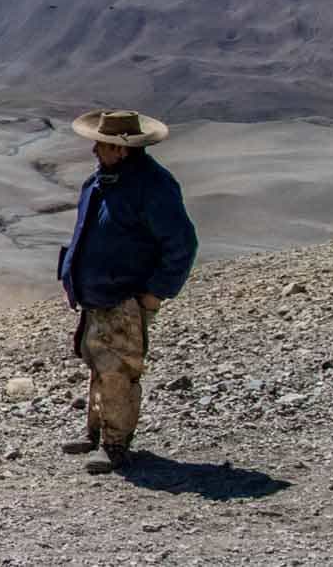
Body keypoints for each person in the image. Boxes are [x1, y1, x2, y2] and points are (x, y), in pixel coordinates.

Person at [59, 109, 198, 475]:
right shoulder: (101, 182)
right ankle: (95, 432)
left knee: (119, 368)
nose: (94, 149)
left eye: (102, 144)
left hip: (125, 296)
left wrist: (157, 292)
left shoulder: (152, 187)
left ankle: (116, 446)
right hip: (97, 295)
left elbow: (181, 244)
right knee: (98, 363)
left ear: (122, 150)